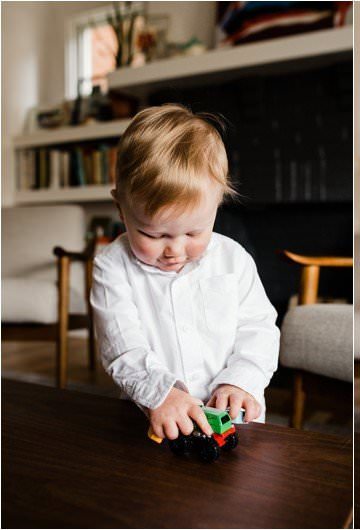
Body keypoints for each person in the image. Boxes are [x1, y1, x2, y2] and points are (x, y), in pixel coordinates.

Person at [92, 104, 279, 441]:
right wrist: (162, 394)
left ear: (217, 204)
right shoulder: (112, 265)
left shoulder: (233, 259)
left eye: (194, 233)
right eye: (154, 235)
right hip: (152, 416)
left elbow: (259, 328)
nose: (174, 251)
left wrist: (241, 379)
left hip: (233, 417)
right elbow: (121, 344)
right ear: (121, 207)